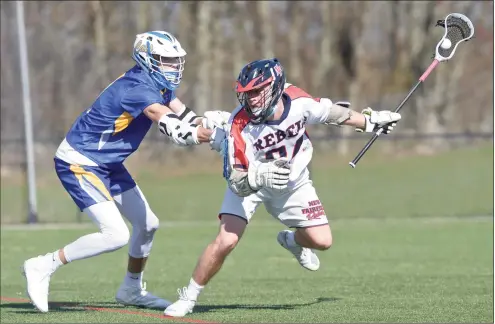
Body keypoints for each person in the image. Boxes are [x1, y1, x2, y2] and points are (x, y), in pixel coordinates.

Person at [163, 58, 401, 317]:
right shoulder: (239, 125)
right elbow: (236, 181)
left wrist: (370, 122)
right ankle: (188, 297)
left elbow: (335, 113)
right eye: (246, 93)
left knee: (323, 241)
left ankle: (293, 241)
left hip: (293, 185)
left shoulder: (299, 103)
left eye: (257, 91)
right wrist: (258, 177)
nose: (251, 99)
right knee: (226, 241)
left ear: (275, 87)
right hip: (251, 183)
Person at [21, 30, 227, 313]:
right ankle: (43, 264)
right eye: (166, 61)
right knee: (115, 234)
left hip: (107, 163)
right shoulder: (137, 88)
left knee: (148, 224)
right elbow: (176, 129)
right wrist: (214, 137)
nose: (174, 67)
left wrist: (221, 123)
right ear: (146, 59)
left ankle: (131, 288)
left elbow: (187, 117)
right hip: (80, 160)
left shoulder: (157, 83)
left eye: (176, 61)